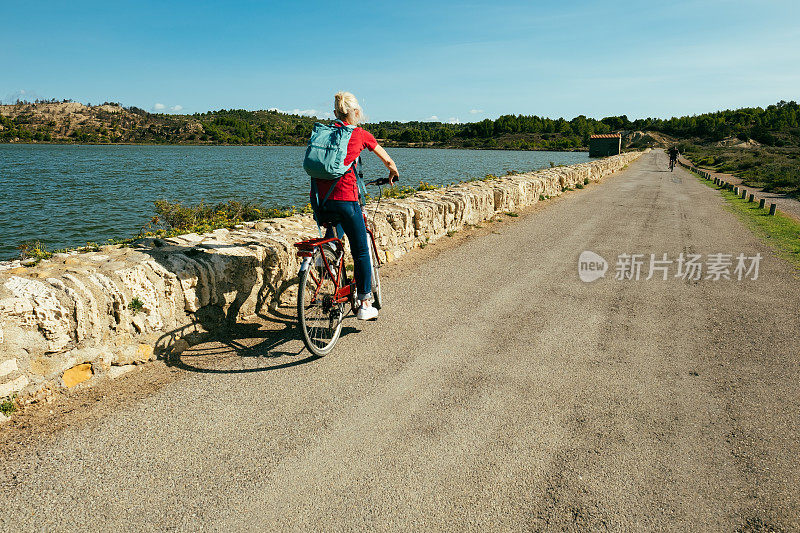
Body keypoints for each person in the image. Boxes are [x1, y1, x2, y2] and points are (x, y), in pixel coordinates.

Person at [312, 91, 399, 321]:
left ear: (335, 113)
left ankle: (326, 259)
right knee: (361, 250)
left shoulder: (324, 133)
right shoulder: (359, 134)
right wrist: (393, 172)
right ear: (356, 112)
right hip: (347, 201)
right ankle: (364, 303)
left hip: (322, 202)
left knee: (335, 239)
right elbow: (387, 159)